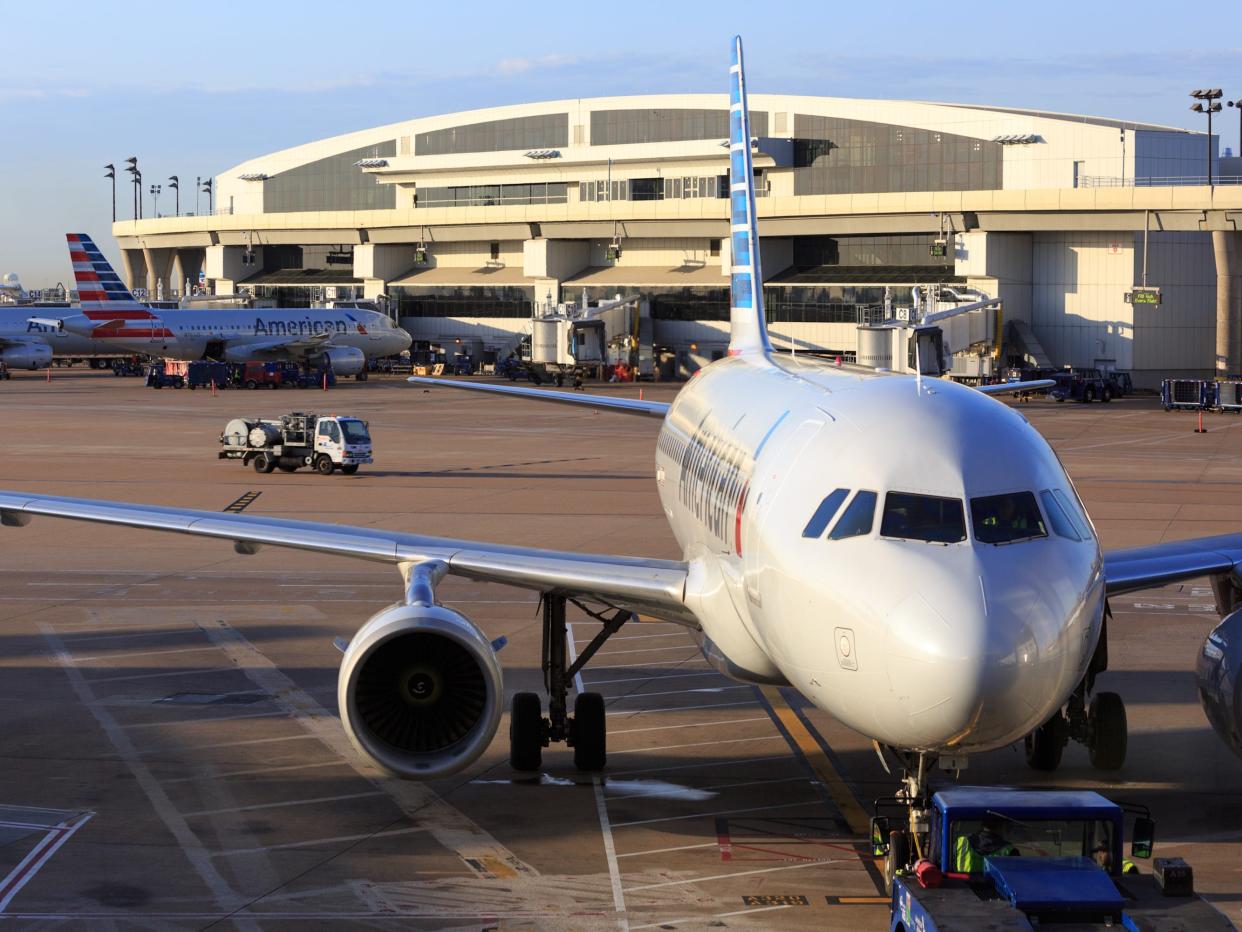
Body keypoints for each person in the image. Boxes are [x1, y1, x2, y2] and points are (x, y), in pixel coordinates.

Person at [954, 816, 1020, 873]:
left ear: (982, 825)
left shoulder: (962, 842)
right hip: (994, 887)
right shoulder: (1010, 850)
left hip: (963, 885)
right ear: (1002, 826)